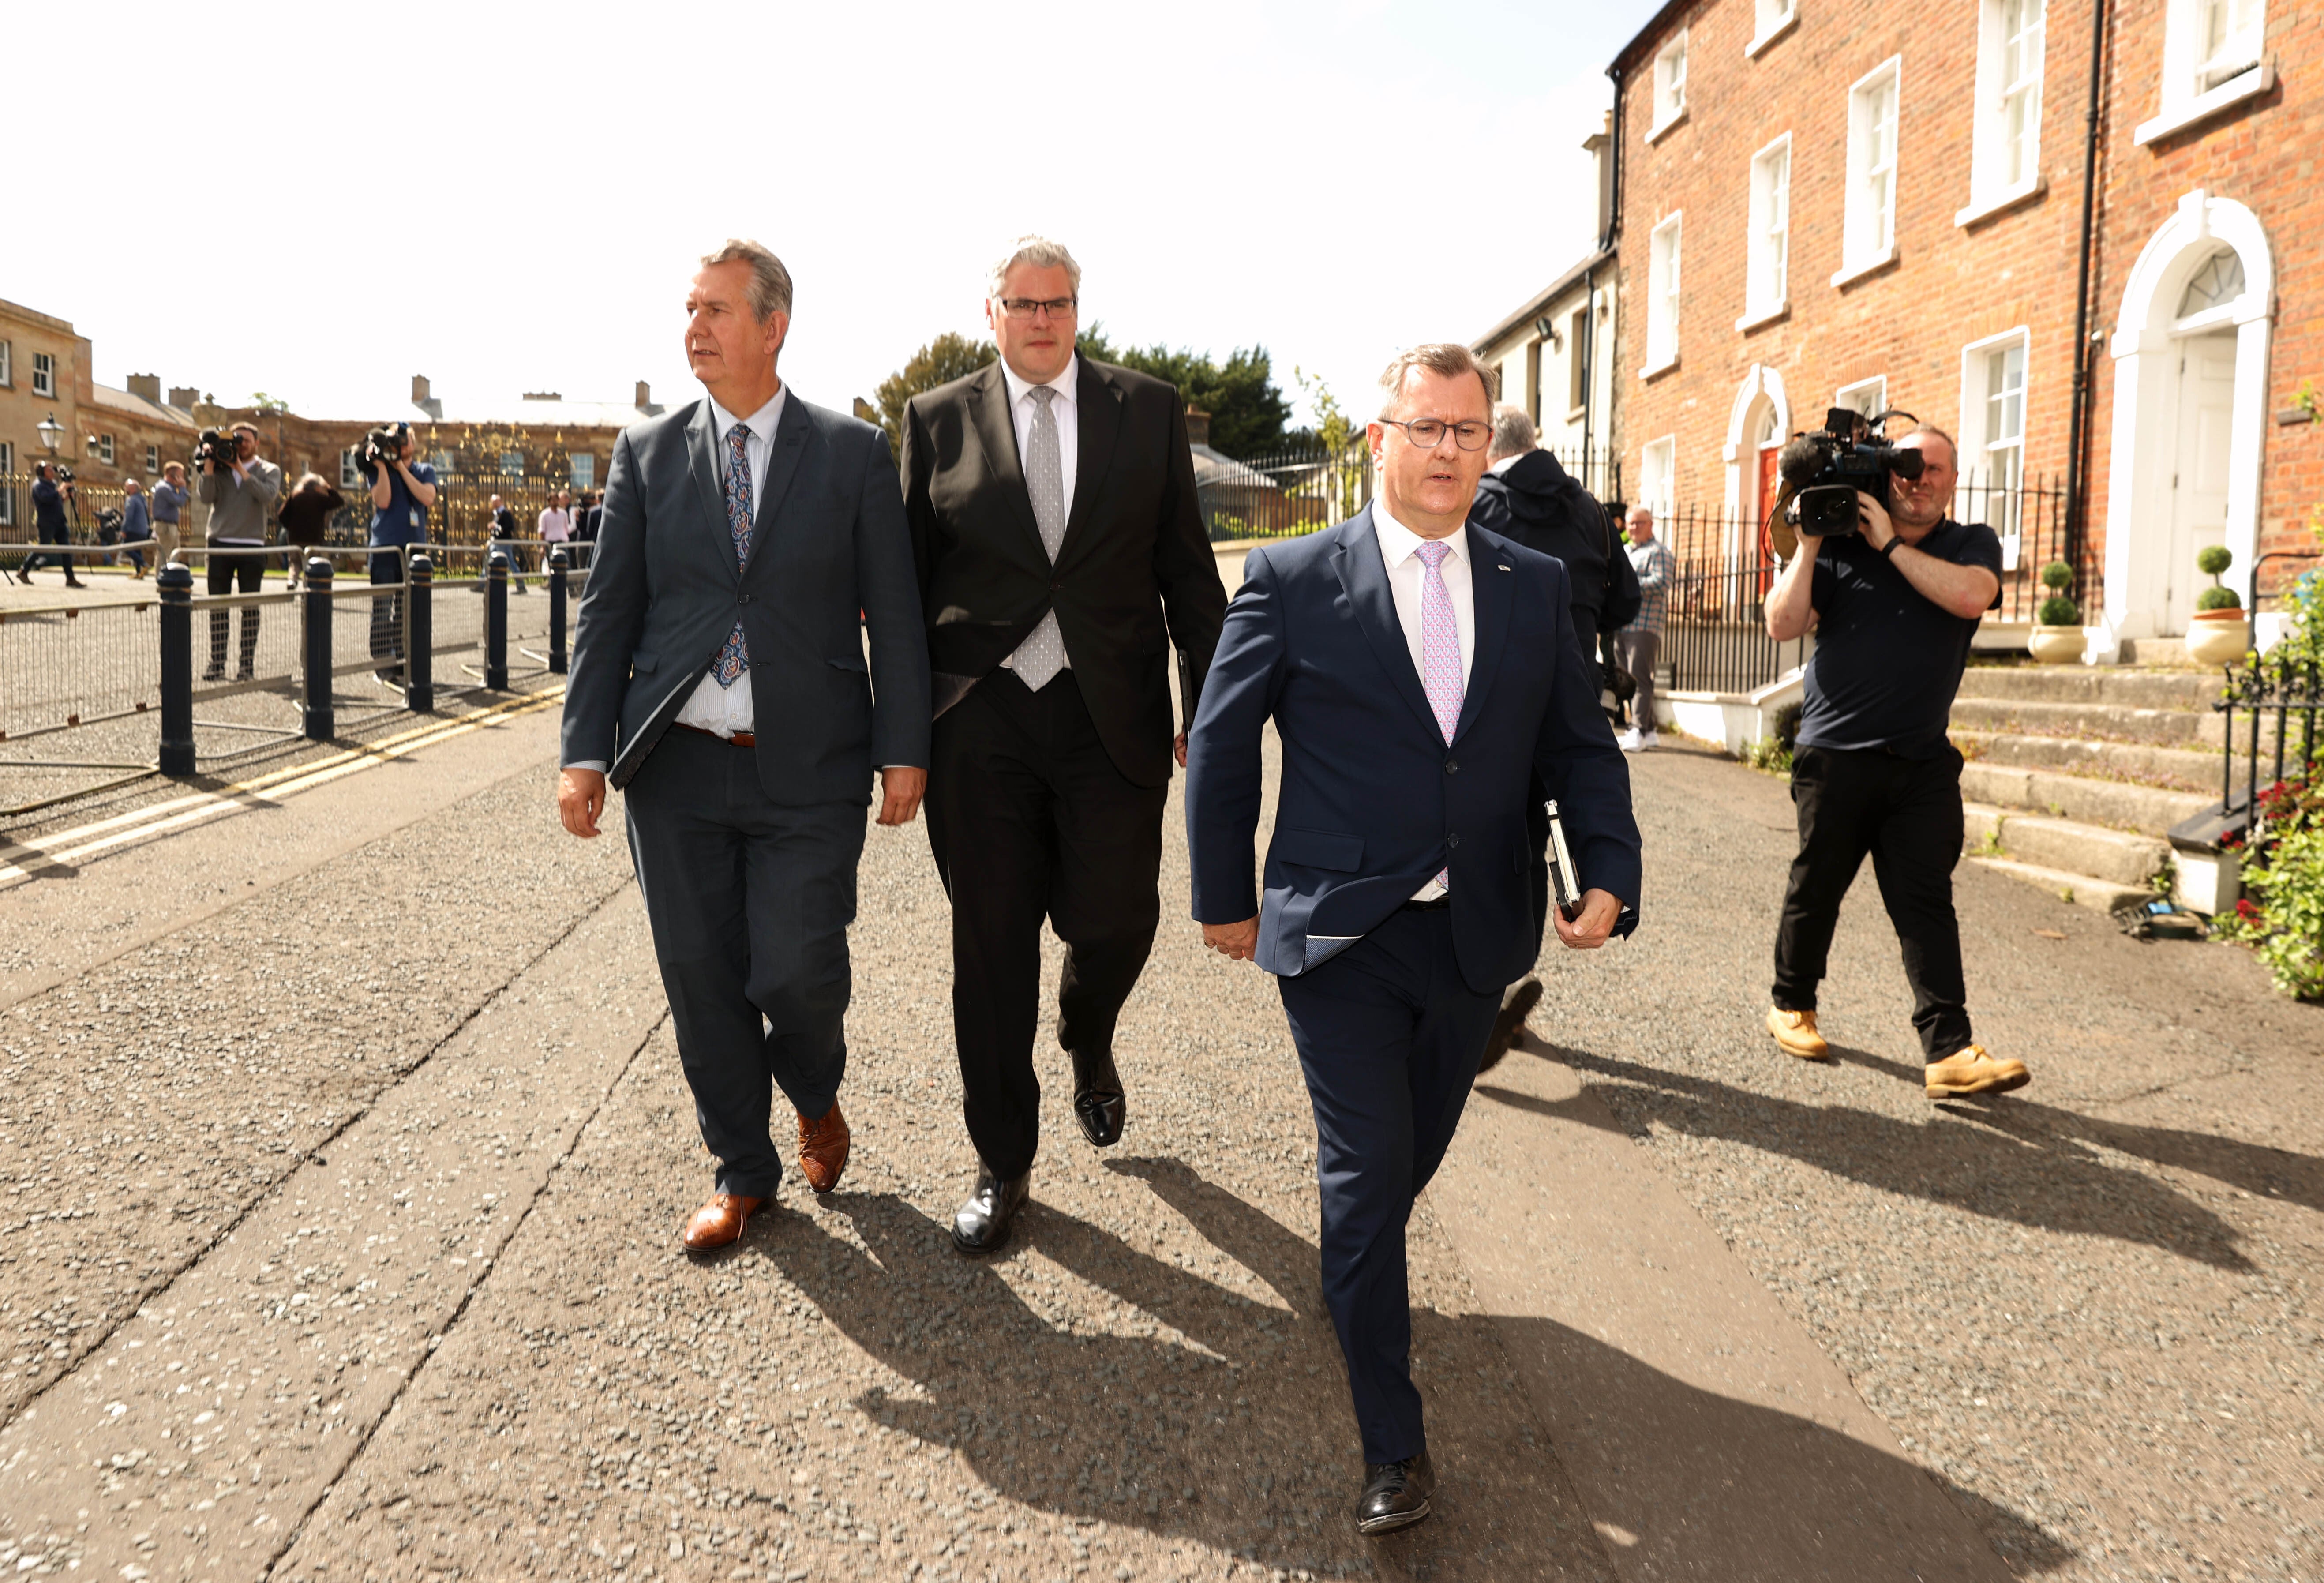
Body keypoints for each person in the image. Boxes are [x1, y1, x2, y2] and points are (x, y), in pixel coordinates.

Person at [1185, 344, 1640, 1536]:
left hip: (1473, 937)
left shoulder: (1534, 583)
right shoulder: (1289, 577)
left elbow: (1577, 748)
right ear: (1378, 441)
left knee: (1390, 1173)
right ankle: (1394, 1445)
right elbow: (1223, 746)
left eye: (1466, 431)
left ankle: (1353, 1258)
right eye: (1423, 427)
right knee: (1364, 1170)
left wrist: (1610, 867)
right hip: (1336, 933)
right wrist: (1221, 893)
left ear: (1490, 448)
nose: (1445, 450)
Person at [558, 239, 930, 1253]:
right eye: (689, 310)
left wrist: (906, 745)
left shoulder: (849, 452)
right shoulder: (646, 452)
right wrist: (583, 750)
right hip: (674, 763)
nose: (695, 329)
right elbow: (609, 610)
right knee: (699, 971)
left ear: (773, 326)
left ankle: (812, 1088)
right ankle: (742, 1169)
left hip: (807, 765)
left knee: (796, 970)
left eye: (717, 311)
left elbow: (894, 612)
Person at [900, 235, 1226, 1256]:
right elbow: (905, 591)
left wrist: (1204, 714)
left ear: (1078, 311)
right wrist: (897, 737)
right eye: (1022, 303)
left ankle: (1088, 1030)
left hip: (1108, 716)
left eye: (1059, 303)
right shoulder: (934, 420)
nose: (1041, 319)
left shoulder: (1148, 410)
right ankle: (1003, 1161)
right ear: (989, 313)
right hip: (979, 723)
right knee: (989, 949)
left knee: (1117, 919)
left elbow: (1187, 574)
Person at [1762, 425, 2029, 1099]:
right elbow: (1781, 623)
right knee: (1816, 887)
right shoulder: (1839, 545)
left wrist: (1888, 544)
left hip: (1920, 762)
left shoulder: (1970, 544)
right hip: (1835, 755)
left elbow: (1972, 598)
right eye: (1906, 468)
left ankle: (1949, 1051)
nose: (1918, 479)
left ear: (1952, 478)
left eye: (1932, 468)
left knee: (1926, 904)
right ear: (1887, 474)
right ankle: (1792, 1003)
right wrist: (1814, 538)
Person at [1465, 403, 1642, 1065]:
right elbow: (1625, 601)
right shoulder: (1592, 511)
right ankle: (1505, 974)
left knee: (1485, 846)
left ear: (1489, 448)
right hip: (1572, 705)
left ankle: (1479, 1005)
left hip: (1494, 710)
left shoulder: (1472, 505)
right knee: (1543, 837)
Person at [199, 424, 282, 680]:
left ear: (257, 443)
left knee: (250, 608)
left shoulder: (269, 470)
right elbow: (205, 497)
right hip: (220, 544)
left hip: (251, 546)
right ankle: (217, 664)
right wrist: (210, 467)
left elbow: (267, 496)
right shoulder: (219, 466)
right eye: (238, 440)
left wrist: (239, 469)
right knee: (218, 608)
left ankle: (247, 665)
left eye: (246, 440)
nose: (242, 444)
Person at [364, 425, 437, 682]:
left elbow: (427, 498)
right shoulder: (375, 469)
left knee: (408, 610)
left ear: (414, 443)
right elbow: (382, 501)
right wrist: (383, 465)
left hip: (415, 551)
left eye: (405, 440)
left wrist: (401, 469)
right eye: (396, 440)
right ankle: (384, 663)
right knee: (382, 609)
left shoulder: (425, 470)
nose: (402, 444)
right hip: (385, 548)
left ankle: (404, 661)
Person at [1615, 505, 1674, 753]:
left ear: (1651, 525)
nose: (1633, 528)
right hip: (1623, 623)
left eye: (1639, 523)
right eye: (1630, 524)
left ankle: (1637, 728)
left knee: (1639, 677)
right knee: (1624, 678)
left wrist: (1629, 584)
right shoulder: (1626, 550)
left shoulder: (1659, 552)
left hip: (1645, 624)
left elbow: (1662, 582)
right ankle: (1648, 731)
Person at [280, 473, 348, 591]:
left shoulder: (295, 496)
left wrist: (290, 527)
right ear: (317, 487)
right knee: (311, 564)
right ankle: (308, 588)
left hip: (295, 537)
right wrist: (329, 488)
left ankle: (292, 580)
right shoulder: (319, 498)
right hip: (314, 538)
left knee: (295, 563)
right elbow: (339, 501)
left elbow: (282, 515)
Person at [22, 463, 86, 587]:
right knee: (43, 547)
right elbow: (46, 499)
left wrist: (66, 498)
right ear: (42, 472)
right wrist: (61, 489)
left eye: (52, 469)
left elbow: (55, 501)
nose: (52, 472)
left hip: (59, 522)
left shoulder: (52, 484)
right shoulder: (39, 485)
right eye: (49, 470)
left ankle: (70, 578)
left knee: (66, 549)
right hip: (47, 522)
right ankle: (24, 570)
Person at [150, 463, 190, 569]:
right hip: (165, 526)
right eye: (180, 476)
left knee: (175, 553)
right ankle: (161, 578)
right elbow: (180, 502)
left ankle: (171, 578)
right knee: (164, 554)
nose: (182, 479)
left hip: (170, 526)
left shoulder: (168, 488)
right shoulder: (164, 488)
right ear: (172, 476)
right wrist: (183, 488)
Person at [120, 477, 154, 578]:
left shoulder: (131, 500)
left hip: (133, 529)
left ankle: (144, 564)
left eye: (127, 487)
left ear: (132, 489)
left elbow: (129, 516)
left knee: (125, 547)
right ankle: (139, 572)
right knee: (138, 550)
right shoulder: (143, 499)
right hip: (143, 530)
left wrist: (124, 530)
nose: (125, 489)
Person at [538, 490, 572, 561]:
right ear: (549, 501)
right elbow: (542, 531)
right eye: (553, 500)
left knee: (565, 564)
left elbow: (567, 529)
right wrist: (543, 547)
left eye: (556, 500)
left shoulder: (564, 514)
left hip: (562, 543)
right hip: (550, 544)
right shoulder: (544, 515)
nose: (555, 502)